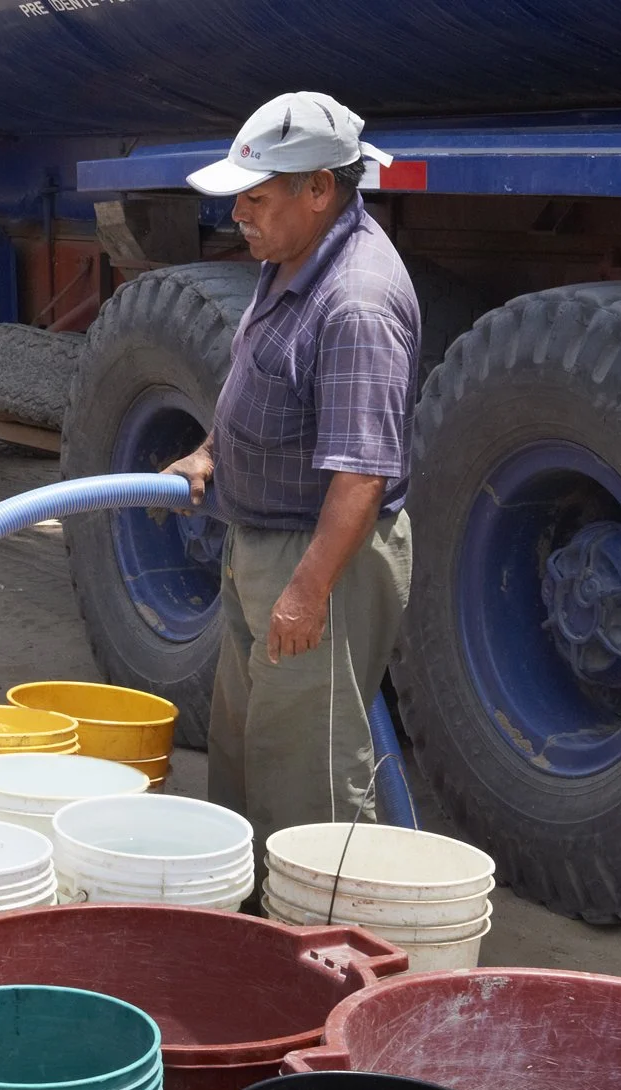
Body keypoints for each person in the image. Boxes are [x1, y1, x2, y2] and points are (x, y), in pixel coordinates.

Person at [163, 91, 418, 864]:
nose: (239, 212)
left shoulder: (358, 303)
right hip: (268, 544)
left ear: (320, 188)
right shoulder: (292, 256)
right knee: (248, 759)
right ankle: (250, 933)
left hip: (322, 562)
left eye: (256, 196)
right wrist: (214, 448)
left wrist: (307, 592)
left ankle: (321, 951)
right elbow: (269, 382)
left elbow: (362, 474)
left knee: (310, 786)